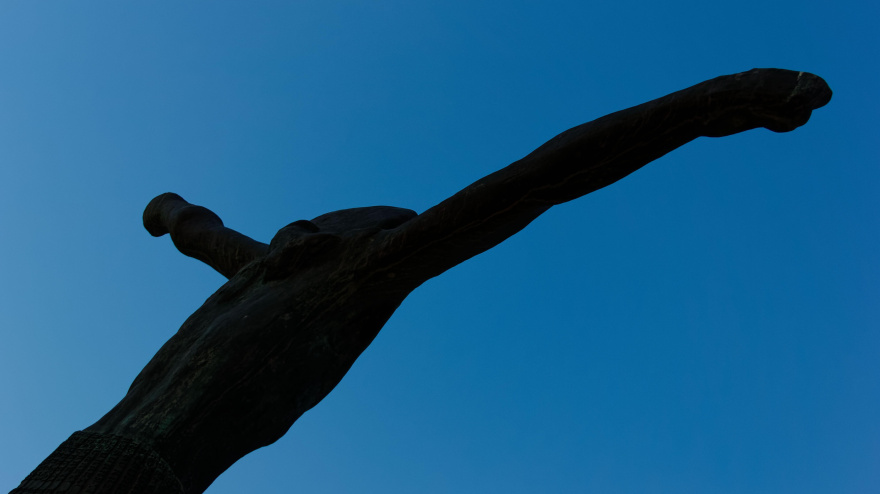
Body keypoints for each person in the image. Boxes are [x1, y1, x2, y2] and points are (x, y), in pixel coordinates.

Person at [12, 68, 831, 494]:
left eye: (333, 223)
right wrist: (173, 215)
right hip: (87, 460)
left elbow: (539, 180)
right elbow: (205, 233)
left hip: (143, 479)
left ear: (354, 240)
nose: (311, 224)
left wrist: (714, 103)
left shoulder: (355, 277)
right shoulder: (259, 268)